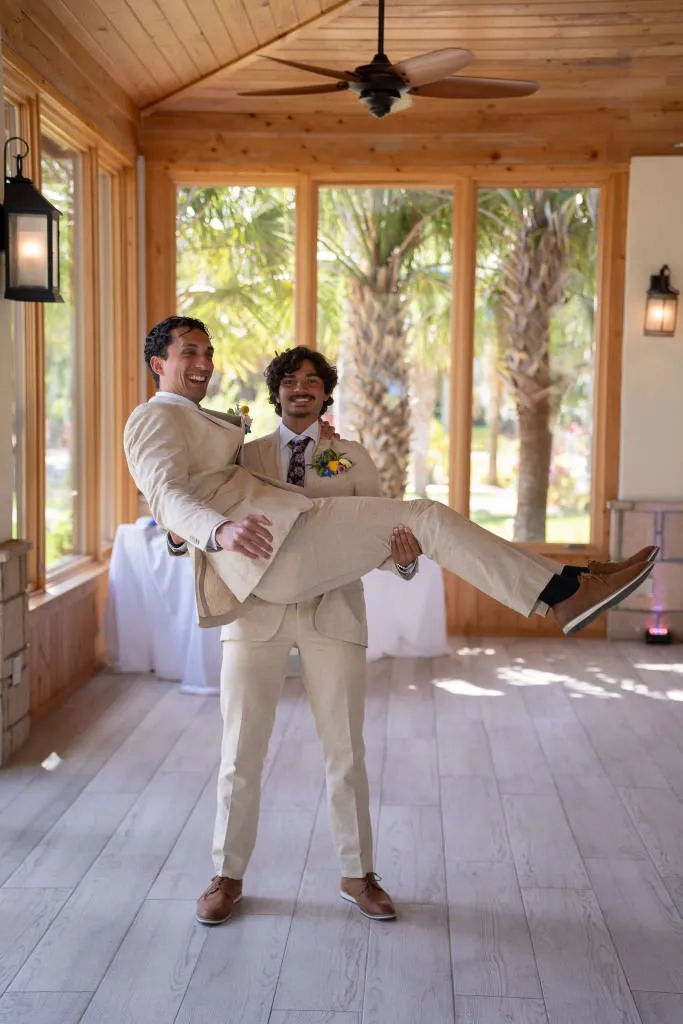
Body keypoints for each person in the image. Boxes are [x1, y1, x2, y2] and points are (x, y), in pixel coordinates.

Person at [124, 315, 654, 661]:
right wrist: (215, 532)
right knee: (423, 513)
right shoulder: (155, 419)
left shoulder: (248, 434)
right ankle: (565, 592)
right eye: (189, 353)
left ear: (326, 396)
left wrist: (401, 561)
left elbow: (209, 483)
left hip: (302, 553)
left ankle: (571, 582)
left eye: (207, 353)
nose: (203, 364)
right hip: (269, 558)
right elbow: (167, 497)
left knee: (421, 519)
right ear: (158, 364)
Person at [168, 345, 422, 925]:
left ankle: (358, 875)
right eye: (289, 380)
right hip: (255, 614)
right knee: (240, 751)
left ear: (326, 394)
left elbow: (379, 538)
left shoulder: (352, 459)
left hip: (334, 613)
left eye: (312, 380)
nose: (300, 388)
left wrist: (403, 560)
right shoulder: (240, 454)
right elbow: (199, 524)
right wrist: (181, 533)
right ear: (276, 391)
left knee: (346, 750)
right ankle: (226, 876)